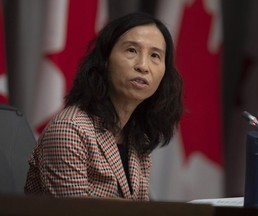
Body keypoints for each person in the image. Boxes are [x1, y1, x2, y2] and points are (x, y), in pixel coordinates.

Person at [25, 12, 183, 201]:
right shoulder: (71, 129)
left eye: (155, 55)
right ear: (105, 60)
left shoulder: (137, 138)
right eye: (131, 50)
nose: (143, 66)